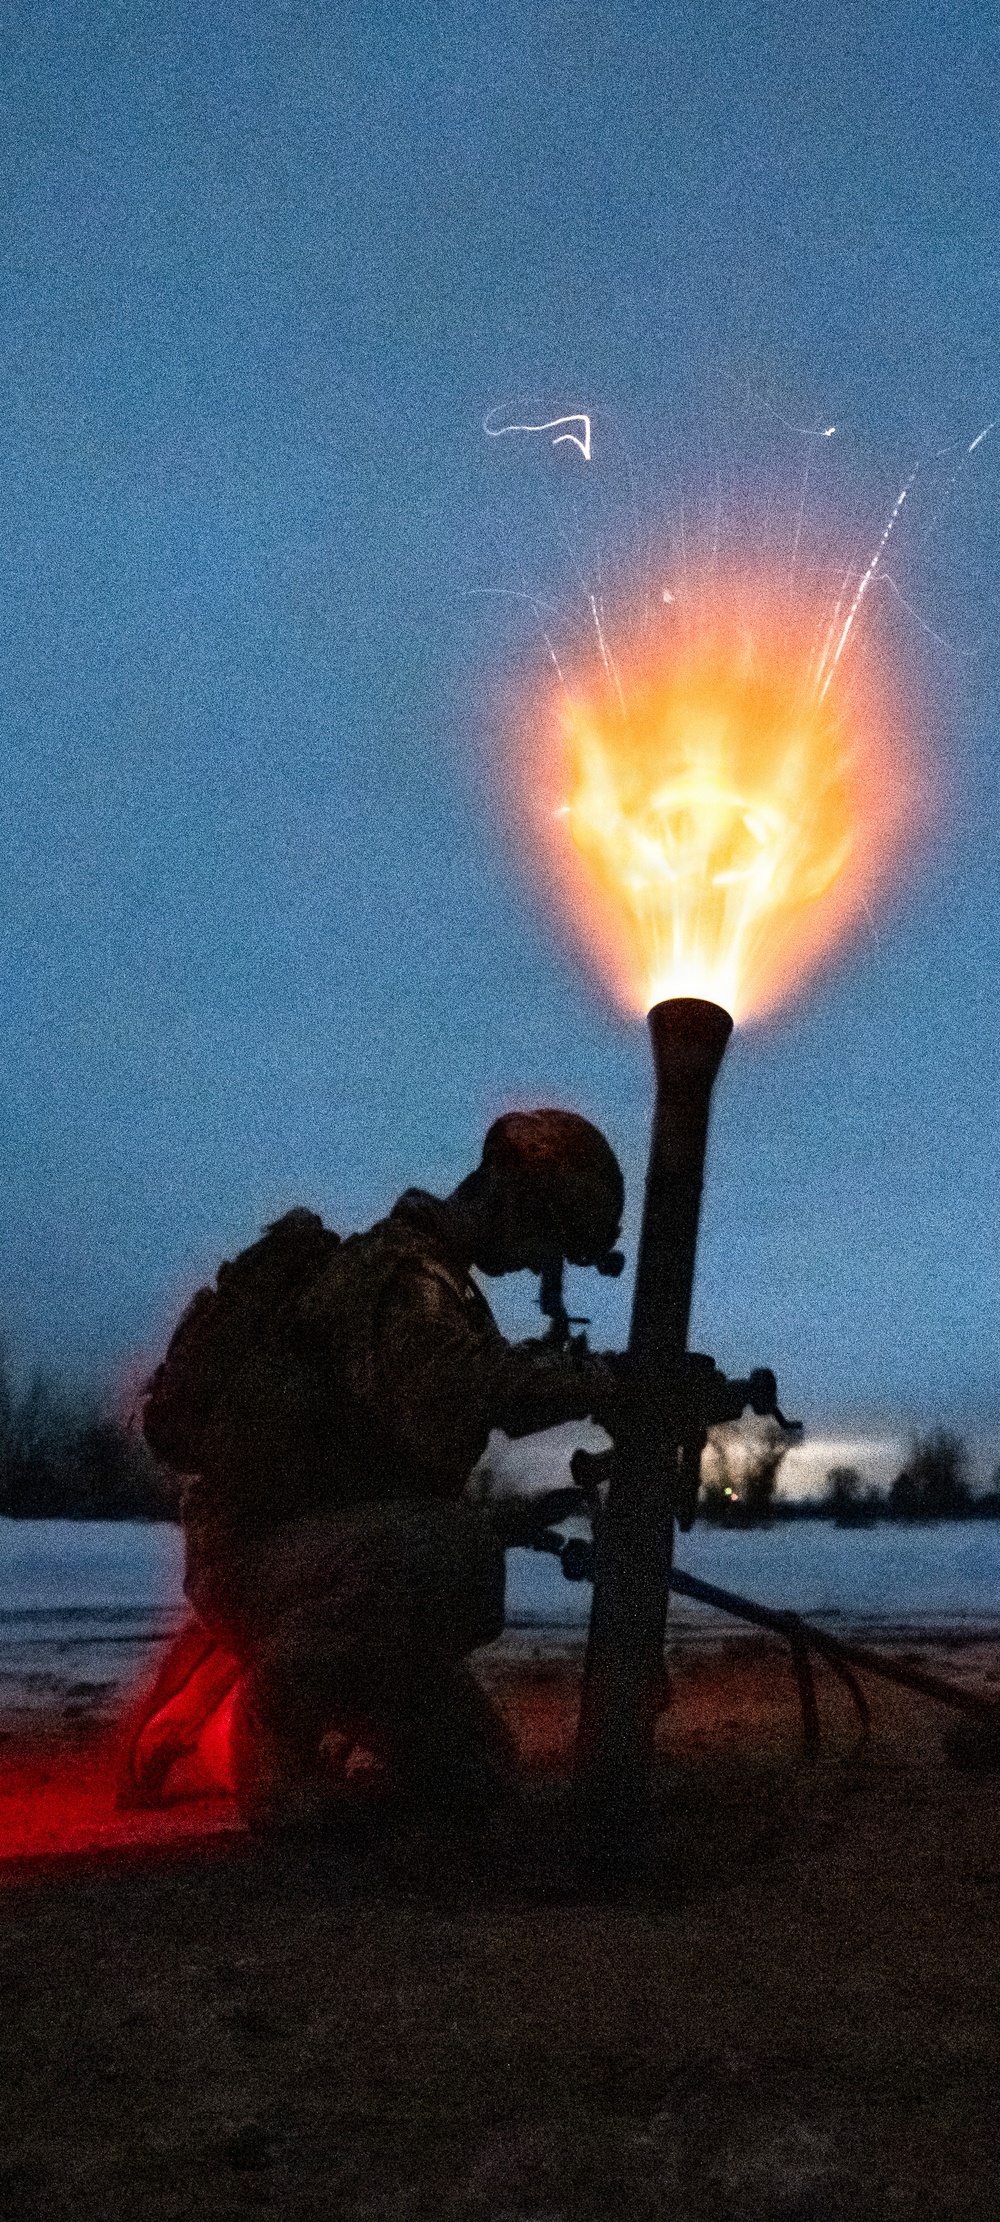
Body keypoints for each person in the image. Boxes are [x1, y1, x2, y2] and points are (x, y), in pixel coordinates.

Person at [172, 1109, 626, 1831]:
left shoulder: (442, 1288)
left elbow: (396, 1457)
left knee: (477, 1775)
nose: (544, 1263)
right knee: (449, 1553)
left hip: (322, 1556)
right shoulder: (400, 1272)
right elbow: (457, 1388)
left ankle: (316, 1705)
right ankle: (269, 1740)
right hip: (256, 1552)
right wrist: (606, 1384)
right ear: (508, 1195)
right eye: (547, 1234)